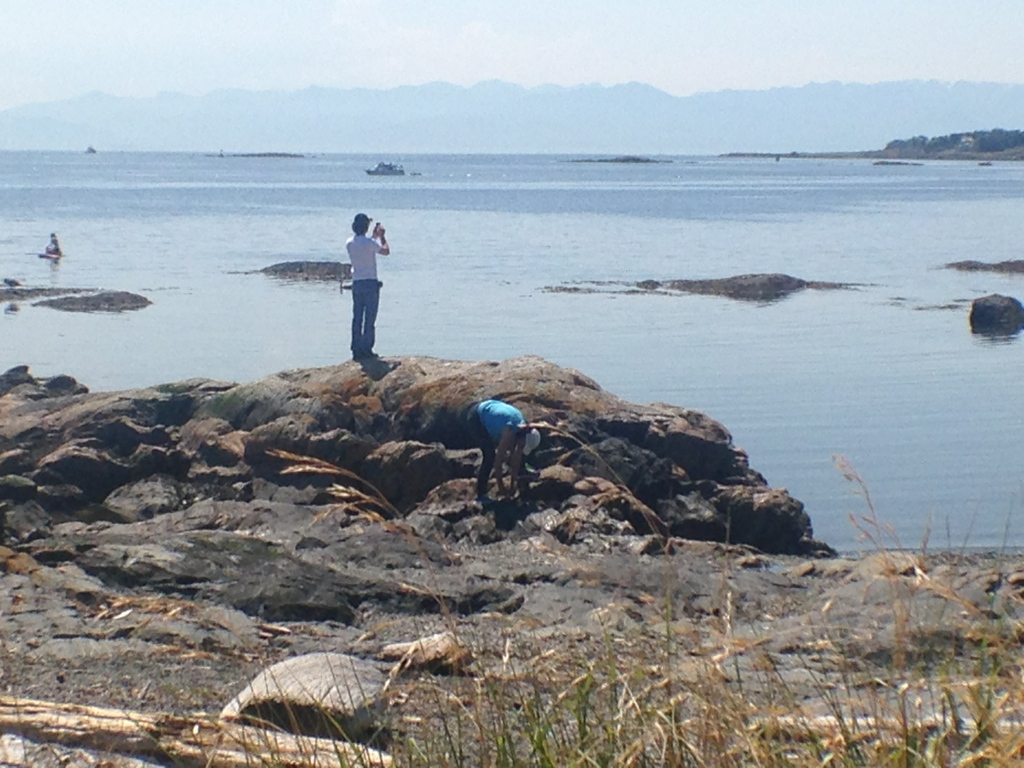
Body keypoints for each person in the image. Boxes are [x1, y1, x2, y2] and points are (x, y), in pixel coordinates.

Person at [464, 399, 542, 501]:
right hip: (477, 416)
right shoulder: (509, 432)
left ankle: (522, 473)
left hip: (492, 409)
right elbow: (498, 461)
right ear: (523, 437)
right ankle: (481, 493)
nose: (521, 447)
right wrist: (501, 487)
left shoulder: (524, 427)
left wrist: (513, 484)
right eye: (523, 445)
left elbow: (517, 455)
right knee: (490, 455)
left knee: (517, 451)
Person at [345, 213, 389, 360]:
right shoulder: (370, 243)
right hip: (370, 283)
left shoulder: (349, 243)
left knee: (357, 317)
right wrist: (382, 237)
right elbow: (385, 251)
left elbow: (365, 245)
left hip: (357, 282)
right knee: (369, 318)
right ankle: (367, 348)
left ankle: (356, 348)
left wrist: (373, 237)